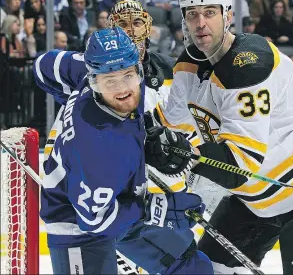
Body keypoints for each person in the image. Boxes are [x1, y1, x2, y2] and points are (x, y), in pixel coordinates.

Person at [144, 0, 293, 274]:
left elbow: (240, 166)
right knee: (206, 271)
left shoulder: (250, 64)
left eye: (210, 12)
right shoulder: (187, 66)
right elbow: (167, 126)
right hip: (255, 202)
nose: (201, 22)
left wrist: (185, 155)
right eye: (192, 14)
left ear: (228, 15)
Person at [33, 27, 213, 274]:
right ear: (94, 80)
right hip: (78, 227)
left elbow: (43, 65)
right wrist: (154, 209)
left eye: (128, 76)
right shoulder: (100, 148)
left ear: (139, 69)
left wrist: (145, 136)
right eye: (110, 81)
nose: (122, 89)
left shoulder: (87, 71)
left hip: (120, 203)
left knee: (192, 268)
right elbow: (94, 220)